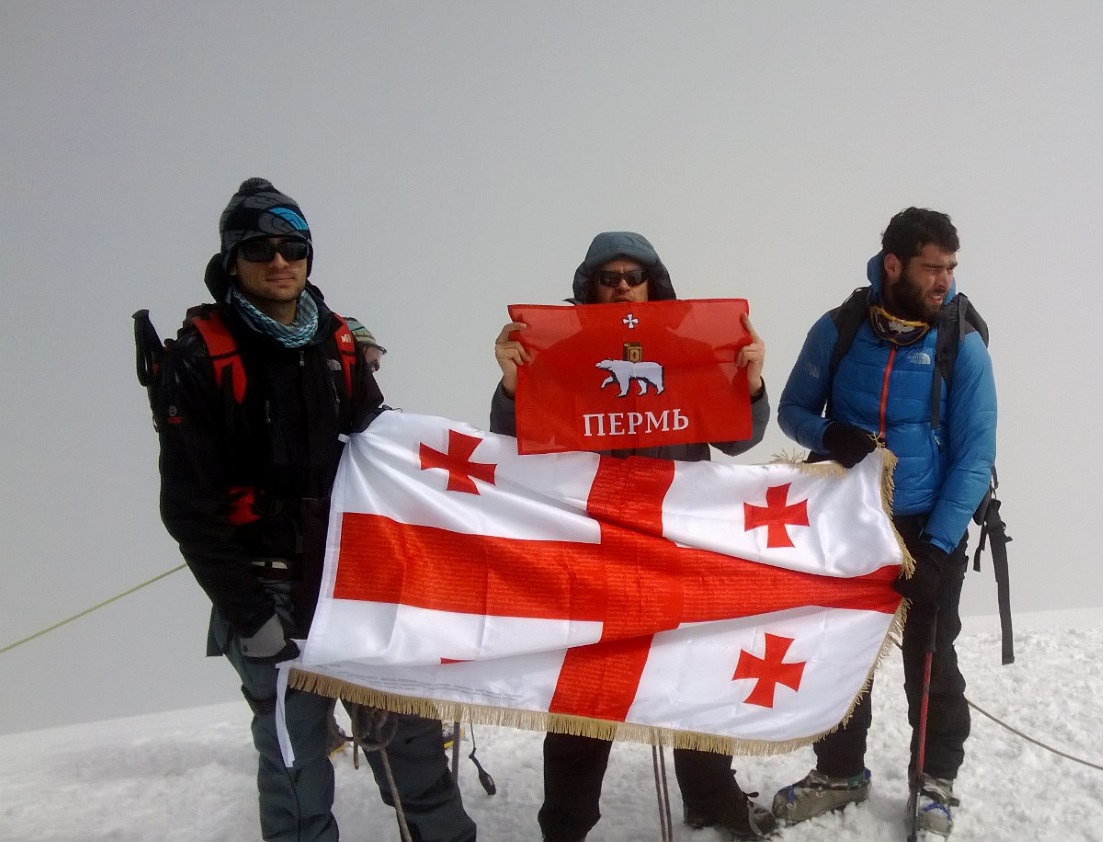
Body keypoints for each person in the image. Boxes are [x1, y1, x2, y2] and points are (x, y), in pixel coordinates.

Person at [154, 178, 477, 842]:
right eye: (261, 247)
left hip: (355, 580)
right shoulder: (199, 357)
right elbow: (189, 508)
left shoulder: (336, 343)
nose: (280, 261)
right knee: (298, 766)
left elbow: (379, 445)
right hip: (266, 588)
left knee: (410, 743)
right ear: (231, 260)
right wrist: (248, 616)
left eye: (294, 247)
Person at [491, 231, 776, 841]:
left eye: (634, 276)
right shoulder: (559, 354)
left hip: (677, 543)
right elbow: (517, 437)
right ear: (590, 288)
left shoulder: (689, 351)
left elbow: (737, 437)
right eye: (609, 277)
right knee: (587, 692)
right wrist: (514, 383)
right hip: (593, 547)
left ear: (654, 284)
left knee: (692, 674)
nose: (622, 286)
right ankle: (565, 824)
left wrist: (749, 381)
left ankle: (711, 797)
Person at [772, 208, 997, 838]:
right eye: (932, 267)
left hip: (931, 523)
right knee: (844, 651)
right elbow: (792, 410)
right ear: (893, 265)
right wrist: (828, 433)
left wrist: (936, 546)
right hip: (848, 521)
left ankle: (934, 782)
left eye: (951, 268)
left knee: (930, 656)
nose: (943, 281)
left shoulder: (962, 344)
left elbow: (976, 455)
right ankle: (840, 771)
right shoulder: (839, 328)